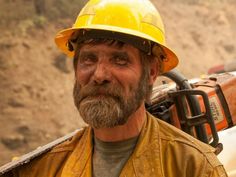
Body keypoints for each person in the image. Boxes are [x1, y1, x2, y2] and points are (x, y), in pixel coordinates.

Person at [0, 0, 228, 176]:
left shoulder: (193, 166)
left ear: (151, 72)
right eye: (88, 59)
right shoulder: (47, 168)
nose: (99, 75)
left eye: (119, 60)